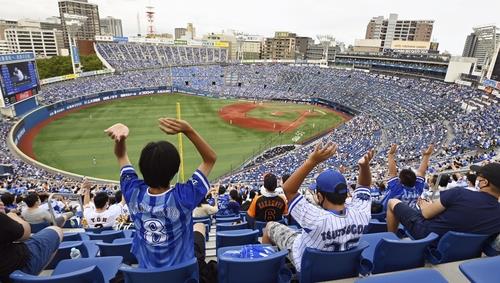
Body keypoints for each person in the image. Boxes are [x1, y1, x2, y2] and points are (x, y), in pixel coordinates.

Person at [105, 117, 216, 268]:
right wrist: (188, 130)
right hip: (184, 275)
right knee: (200, 227)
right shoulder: (184, 196)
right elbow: (210, 159)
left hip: (147, 276)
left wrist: (120, 139)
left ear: (142, 169)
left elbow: (121, 156)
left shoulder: (132, 192)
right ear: (176, 169)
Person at [262, 143, 374, 272]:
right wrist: (364, 166)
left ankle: (268, 273)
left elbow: (288, 189)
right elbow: (365, 186)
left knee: (269, 226)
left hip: (306, 265)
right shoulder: (360, 213)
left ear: (320, 196)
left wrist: (312, 161)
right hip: (342, 266)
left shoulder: (315, 218)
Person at [386, 162, 500, 239]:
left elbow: (426, 214)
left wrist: (424, 205)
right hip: (460, 248)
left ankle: (393, 239)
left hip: (429, 236)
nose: (477, 178)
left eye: (479, 176)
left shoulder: (459, 193)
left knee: (392, 202)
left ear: (485, 182)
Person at [0, 200, 63, 282]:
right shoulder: (42, 211)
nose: (1, 203)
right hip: (12, 267)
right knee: (57, 228)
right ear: (36, 202)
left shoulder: (24, 211)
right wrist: (12, 216)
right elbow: (26, 233)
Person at [381, 144, 433, 210]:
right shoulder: (418, 188)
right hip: (411, 215)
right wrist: (426, 156)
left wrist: (391, 154)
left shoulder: (397, 189)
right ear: (415, 180)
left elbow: (392, 172)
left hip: (394, 218)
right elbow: (421, 172)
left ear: (399, 181)